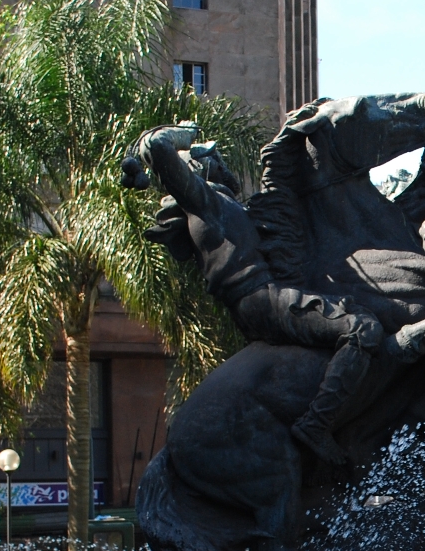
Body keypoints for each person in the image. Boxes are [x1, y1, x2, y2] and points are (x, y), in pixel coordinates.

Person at [128, 123, 389, 465]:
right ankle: (317, 423)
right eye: (213, 157)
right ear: (196, 167)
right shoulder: (202, 200)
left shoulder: (223, 203)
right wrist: (185, 135)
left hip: (266, 293)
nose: (222, 163)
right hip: (261, 298)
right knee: (362, 329)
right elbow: (157, 146)